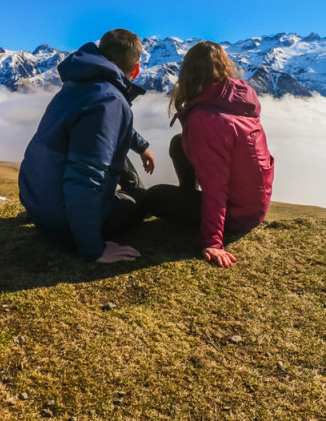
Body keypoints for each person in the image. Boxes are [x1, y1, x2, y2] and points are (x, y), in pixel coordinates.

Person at [18, 29, 155, 263]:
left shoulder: (79, 84)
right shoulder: (110, 99)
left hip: (39, 206)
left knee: (113, 145)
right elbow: (85, 178)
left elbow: (109, 128)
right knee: (145, 198)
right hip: (64, 225)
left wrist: (142, 146)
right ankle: (135, 194)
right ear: (137, 69)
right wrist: (94, 249)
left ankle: (128, 193)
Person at [144, 41, 274, 268]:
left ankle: (190, 203)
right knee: (179, 143)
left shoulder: (205, 118)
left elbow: (215, 185)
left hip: (237, 215)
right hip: (254, 204)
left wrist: (213, 241)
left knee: (154, 196)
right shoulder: (241, 97)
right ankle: (188, 195)